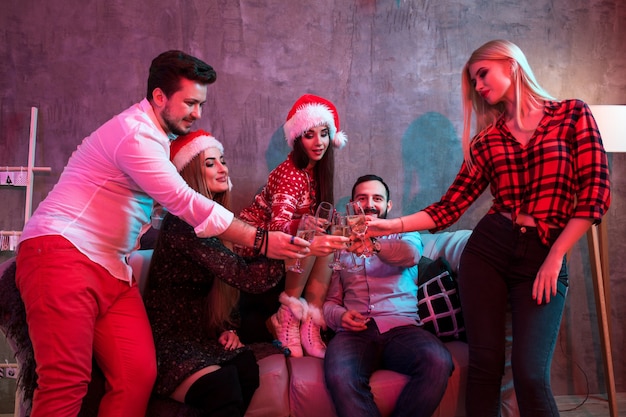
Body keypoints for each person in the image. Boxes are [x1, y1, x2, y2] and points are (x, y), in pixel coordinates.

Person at [14, 50, 313, 417]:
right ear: (159, 97)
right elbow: (182, 199)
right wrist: (263, 240)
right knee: (66, 381)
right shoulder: (135, 135)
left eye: (200, 104)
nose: (197, 113)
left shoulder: (155, 140)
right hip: (63, 253)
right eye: (189, 102)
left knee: (137, 375)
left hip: (112, 267)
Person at [367, 40, 611, 416]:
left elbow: (596, 192)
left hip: (544, 252)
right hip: (488, 253)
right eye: (473, 80)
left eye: (482, 73)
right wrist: (388, 226)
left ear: (511, 63)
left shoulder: (572, 114)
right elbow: (448, 208)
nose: (478, 86)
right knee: (485, 368)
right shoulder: (488, 140)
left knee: (530, 374)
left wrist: (556, 255)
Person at [144, 130, 286, 416]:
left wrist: (226, 330)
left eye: (222, 161)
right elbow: (245, 277)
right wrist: (290, 247)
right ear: (190, 175)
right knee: (222, 387)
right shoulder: (184, 223)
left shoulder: (215, 225)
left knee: (245, 368)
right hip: (169, 340)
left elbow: (223, 290)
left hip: (200, 336)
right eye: (211, 164)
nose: (223, 168)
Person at [323, 174, 453, 417]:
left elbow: (409, 256)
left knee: (439, 361)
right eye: (362, 198)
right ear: (352, 204)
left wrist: (373, 242)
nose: (370, 204)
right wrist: (340, 316)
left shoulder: (406, 234)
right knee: (340, 375)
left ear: (388, 206)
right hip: (355, 333)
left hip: (402, 329)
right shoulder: (341, 245)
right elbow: (330, 303)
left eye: (377, 198)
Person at [239, 94, 348, 358]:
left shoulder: (317, 172)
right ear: (298, 138)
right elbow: (277, 226)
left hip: (291, 252)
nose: (319, 142)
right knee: (311, 234)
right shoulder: (291, 173)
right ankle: (287, 317)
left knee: (328, 234)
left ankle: (310, 323)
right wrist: (307, 223)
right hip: (256, 248)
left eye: (324, 134)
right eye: (310, 135)